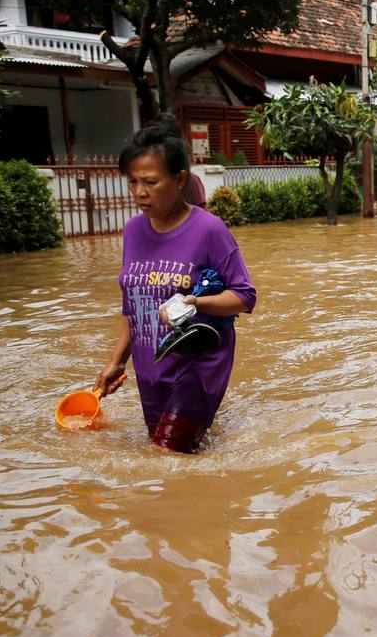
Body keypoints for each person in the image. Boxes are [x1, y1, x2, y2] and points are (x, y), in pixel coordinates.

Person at [94, 120, 257, 453]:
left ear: (179, 179)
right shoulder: (133, 231)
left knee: (165, 454)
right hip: (150, 367)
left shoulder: (209, 229)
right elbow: (133, 306)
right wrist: (116, 362)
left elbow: (244, 296)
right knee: (168, 451)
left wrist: (195, 302)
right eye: (133, 181)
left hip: (198, 362)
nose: (139, 192)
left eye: (151, 182)